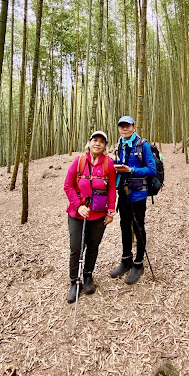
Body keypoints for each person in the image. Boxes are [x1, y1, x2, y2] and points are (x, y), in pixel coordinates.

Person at [64, 131, 116, 303]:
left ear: (105, 146)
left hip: (99, 215)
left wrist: (111, 212)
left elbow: (111, 190)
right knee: (76, 247)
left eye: (102, 142)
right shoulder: (79, 161)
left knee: (93, 246)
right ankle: (75, 281)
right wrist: (78, 206)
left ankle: (88, 275)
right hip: (77, 215)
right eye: (95, 140)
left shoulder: (109, 163)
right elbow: (68, 186)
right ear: (89, 143)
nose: (98, 144)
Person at [110, 116, 157, 285]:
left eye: (127, 126)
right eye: (121, 126)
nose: (124, 129)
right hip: (123, 192)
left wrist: (131, 169)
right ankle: (126, 259)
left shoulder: (142, 145)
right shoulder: (121, 144)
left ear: (133, 127)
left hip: (138, 194)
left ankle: (138, 263)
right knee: (124, 225)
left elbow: (151, 169)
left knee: (138, 226)